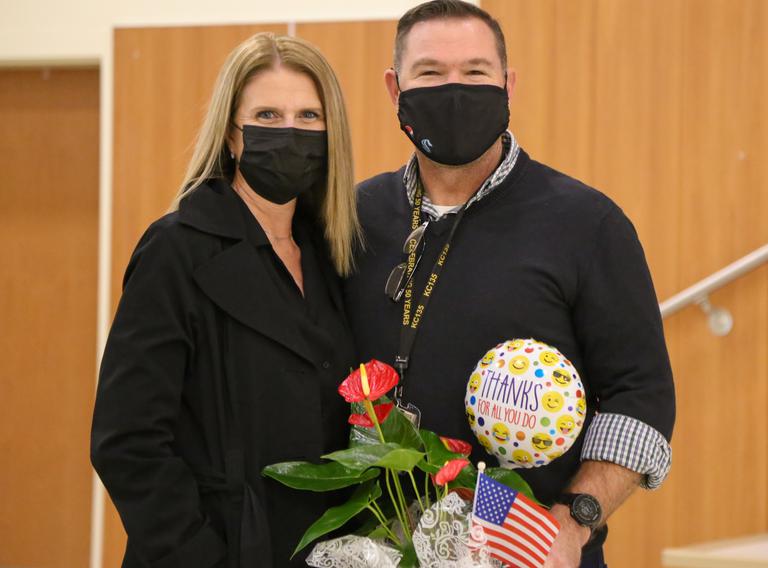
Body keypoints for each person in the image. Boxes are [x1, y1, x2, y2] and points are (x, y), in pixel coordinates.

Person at [343, 2, 676, 566]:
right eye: (430, 73)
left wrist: (574, 522)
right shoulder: (353, 218)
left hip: (524, 552)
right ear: (394, 87)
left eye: (475, 73)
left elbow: (640, 396)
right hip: (372, 545)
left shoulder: (587, 224)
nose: (454, 89)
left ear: (508, 84)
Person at [91, 32, 359, 568]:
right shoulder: (176, 250)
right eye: (267, 114)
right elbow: (128, 441)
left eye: (309, 117)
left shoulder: (333, 256)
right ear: (233, 135)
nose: (290, 133)